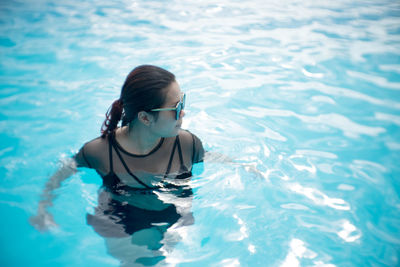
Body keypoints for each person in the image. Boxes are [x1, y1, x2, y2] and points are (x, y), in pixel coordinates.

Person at [30, 65, 205, 266]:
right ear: (145, 118)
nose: (183, 112)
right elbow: (64, 171)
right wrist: (43, 208)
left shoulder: (187, 144)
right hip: (123, 218)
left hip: (175, 212)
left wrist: (245, 168)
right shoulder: (101, 152)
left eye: (183, 101)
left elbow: (213, 158)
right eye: (176, 108)